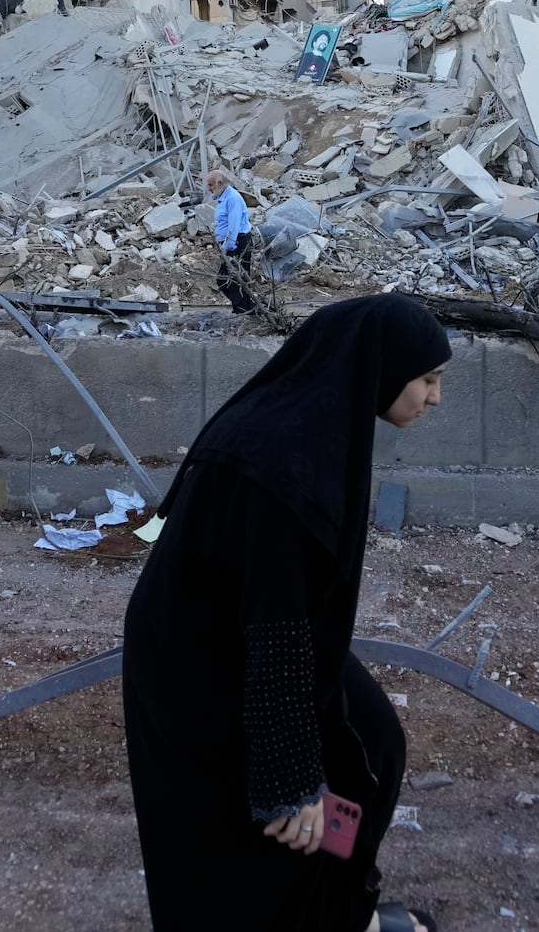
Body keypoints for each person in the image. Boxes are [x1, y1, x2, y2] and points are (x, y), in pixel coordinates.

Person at [122, 294, 449, 932]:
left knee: (373, 743)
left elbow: (282, 608)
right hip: (197, 661)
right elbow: (274, 628)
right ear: (382, 369)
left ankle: (339, 911)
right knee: (259, 820)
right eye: (428, 380)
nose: (434, 398)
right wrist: (292, 778)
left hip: (243, 630)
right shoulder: (281, 460)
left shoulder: (316, 426)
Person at [206, 170, 257, 314]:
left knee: (232, 279)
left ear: (220, 183)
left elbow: (233, 226)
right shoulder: (224, 196)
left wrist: (228, 247)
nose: (209, 189)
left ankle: (244, 309)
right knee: (232, 279)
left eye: (211, 185)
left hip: (238, 242)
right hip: (233, 242)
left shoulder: (232, 198)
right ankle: (244, 308)